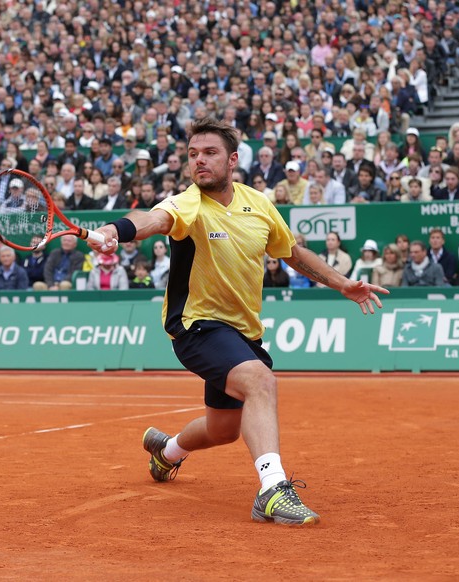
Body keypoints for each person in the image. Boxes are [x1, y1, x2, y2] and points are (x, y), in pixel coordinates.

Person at [88, 117, 388, 526]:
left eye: (209, 153)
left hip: (242, 332)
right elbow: (152, 220)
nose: (199, 162)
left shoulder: (259, 203)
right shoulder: (188, 204)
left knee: (224, 428)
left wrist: (341, 284)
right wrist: (113, 230)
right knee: (260, 382)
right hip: (196, 325)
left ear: (232, 160)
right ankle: (272, 491)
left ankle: (167, 451)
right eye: (193, 155)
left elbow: (293, 253)